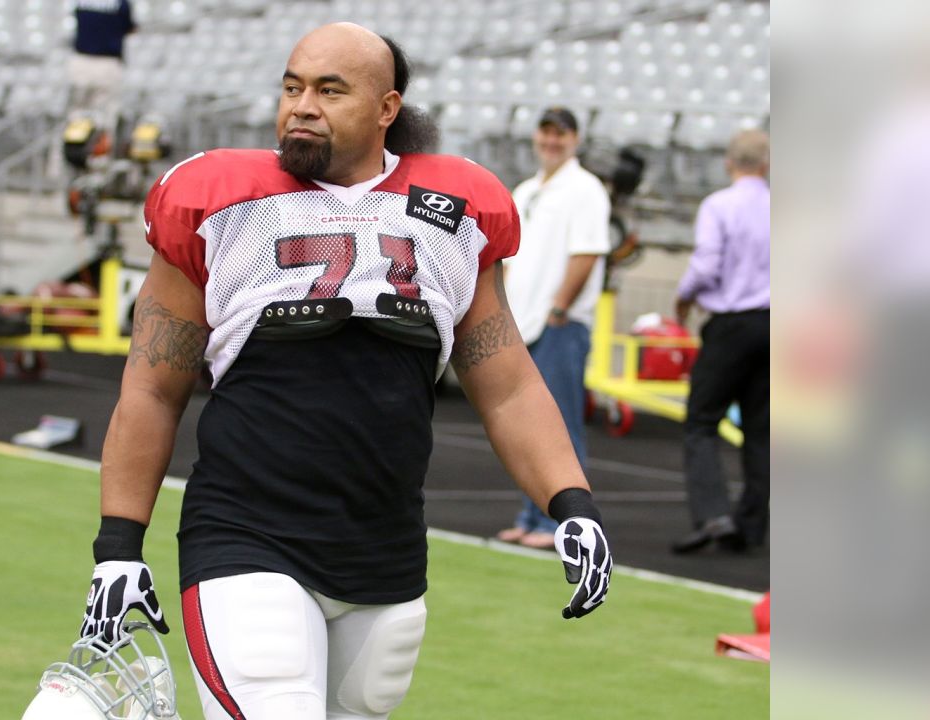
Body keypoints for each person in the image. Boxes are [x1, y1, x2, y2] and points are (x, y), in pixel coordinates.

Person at [76, 25, 612, 720]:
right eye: (293, 86)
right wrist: (118, 545)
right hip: (248, 537)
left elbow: (506, 382)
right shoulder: (219, 202)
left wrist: (571, 503)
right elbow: (152, 386)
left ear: (387, 108)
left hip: (385, 552)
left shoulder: (456, 212)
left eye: (330, 91)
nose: (302, 105)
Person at [495, 107, 611, 550]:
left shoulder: (585, 190)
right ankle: (532, 518)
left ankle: (560, 528)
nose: (552, 141)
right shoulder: (527, 190)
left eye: (561, 134)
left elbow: (586, 253)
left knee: (559, 432)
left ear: (575, 139)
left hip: (556, 324)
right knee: (528, 431)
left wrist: (560, 308)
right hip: (524, 324)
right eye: (546, 133)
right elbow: (508, 263)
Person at [670, 129, 770, 554]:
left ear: (730, 163)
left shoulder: (719, 205)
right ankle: (750, 528)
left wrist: (684, 296)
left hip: (730, 323)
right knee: (762, 430)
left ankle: (713, 515)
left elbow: (707, 264)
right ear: (767, 166)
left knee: (701, 420)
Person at [69, 0, 136, 137]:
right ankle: (99, 155)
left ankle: (67, 155)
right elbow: (129, 28)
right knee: (104, 116)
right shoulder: (120, 3)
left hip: (81, 61)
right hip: (108, 62)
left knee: (75, 113)